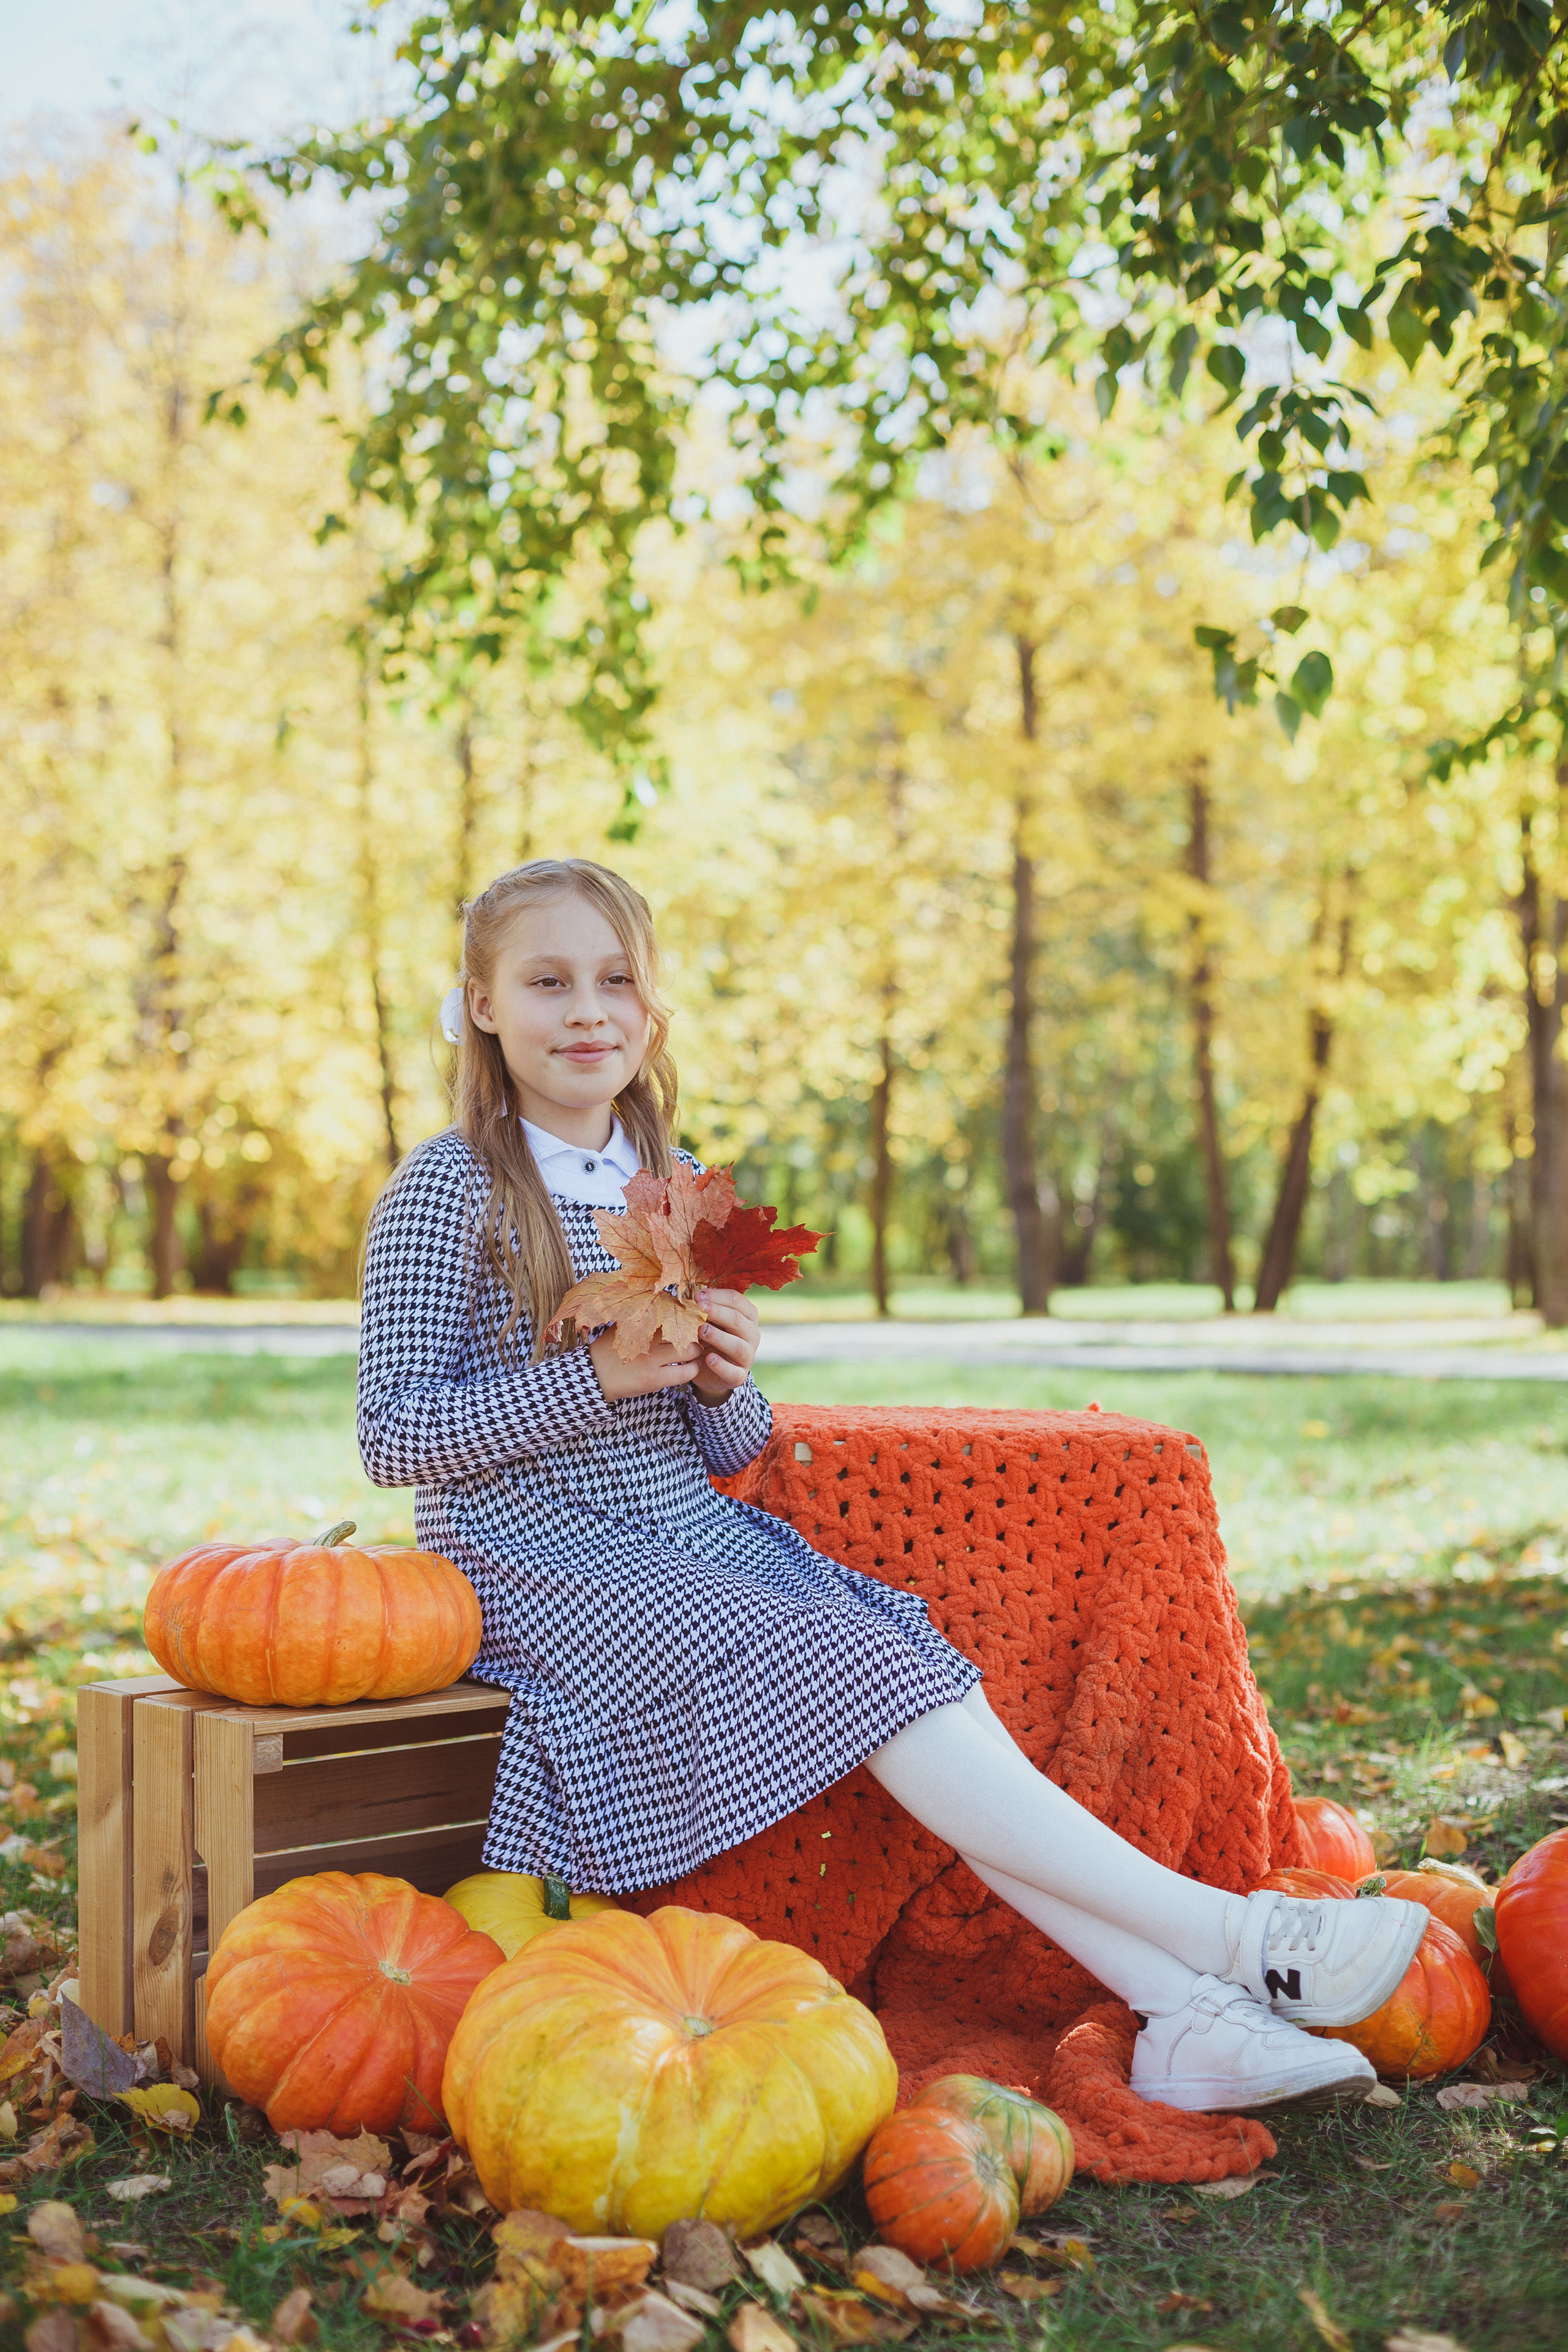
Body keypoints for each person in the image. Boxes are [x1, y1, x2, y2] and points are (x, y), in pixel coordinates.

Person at [358, 858, 1427, 2116]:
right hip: (534, 1561)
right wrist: (593, 1382)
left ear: (649, 1012)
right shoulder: (449, 1188)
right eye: (547, 981)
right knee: (859, 1666)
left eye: (615, 981)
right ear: (482, 1004)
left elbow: (716, 1445)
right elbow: (392, 1436)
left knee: (904, 1650)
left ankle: (1186, 2015)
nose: (585, 1009)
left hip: (679, 1537)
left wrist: (720, 1382)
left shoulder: (667, 1177)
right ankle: (1231, 1945)